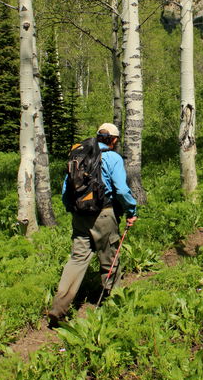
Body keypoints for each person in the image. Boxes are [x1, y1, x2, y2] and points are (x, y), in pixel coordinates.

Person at [48, 123, 137, 326]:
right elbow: (122, 191)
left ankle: (59, 307)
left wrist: (73, 209)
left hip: (80, 215)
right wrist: (131, 210)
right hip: (103, 214)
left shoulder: (79, 154)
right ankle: (115, 302)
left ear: (97, 136)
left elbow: (65, 189)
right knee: (109, 257)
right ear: (113, 140)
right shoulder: (113, 157)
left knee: (77, 259)